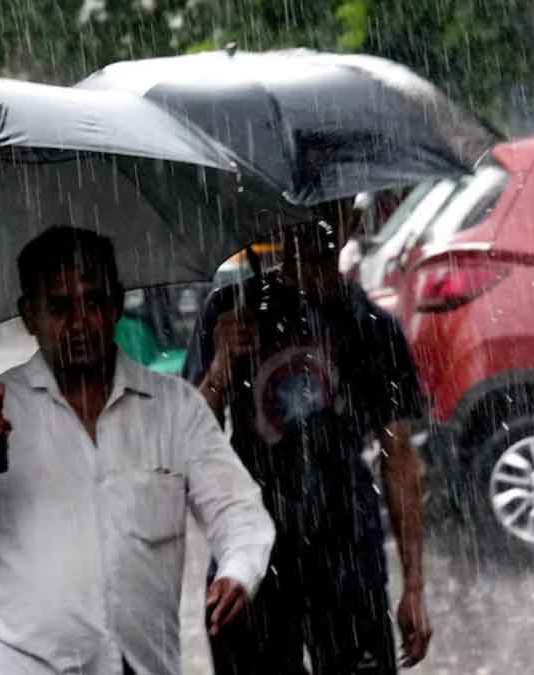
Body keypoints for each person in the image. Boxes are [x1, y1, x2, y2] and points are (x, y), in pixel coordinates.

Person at [0, 225, 275, 675]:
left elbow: (237, 510)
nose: (80, 323)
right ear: (29, 316)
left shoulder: (175, 410)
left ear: (116, 305)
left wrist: (238, 570)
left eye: (93, 302)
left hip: (141, 664)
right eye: (60, 308)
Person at [184, 201, 433, 673]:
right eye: (300, 218)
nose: (313, 232)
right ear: (276, 222)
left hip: (347, 552)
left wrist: (415, 586)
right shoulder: (231, 311)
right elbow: (188, 435)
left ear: (350, 225)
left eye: (329, 217)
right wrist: (220, 367)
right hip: (252, 547)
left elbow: (397, 456)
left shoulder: (372, 328)